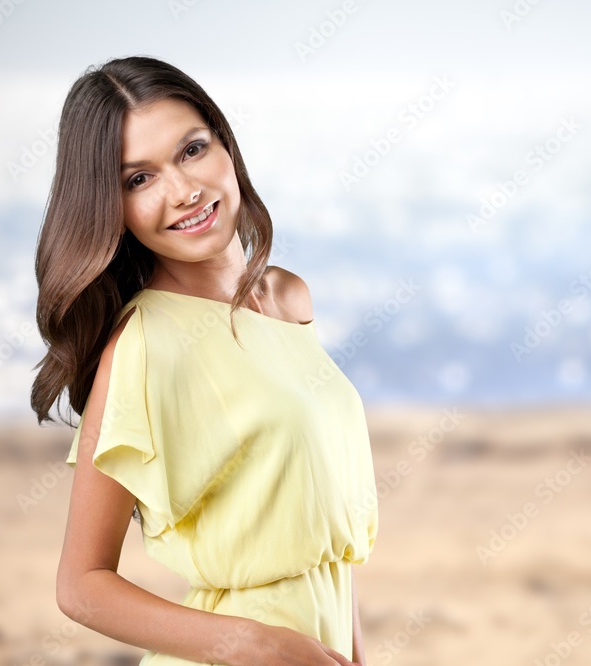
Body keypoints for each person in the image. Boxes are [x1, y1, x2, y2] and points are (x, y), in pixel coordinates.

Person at [30, 55, 378, 666]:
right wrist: (254, 643)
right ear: (110, 206)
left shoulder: (287, 296)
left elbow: (326, 553)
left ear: (226, 146)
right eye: (138, 179)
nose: (184, 190)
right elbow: (81, 585)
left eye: (192, 150)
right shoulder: (144, 343)